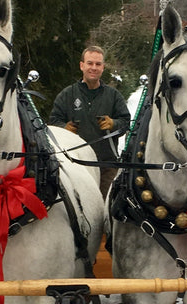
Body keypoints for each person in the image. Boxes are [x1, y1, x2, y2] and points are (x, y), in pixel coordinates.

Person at [49, 46, 130, 196]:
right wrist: (63, 128)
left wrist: (114, 124)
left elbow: (126, 122)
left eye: (98, 64)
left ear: (103, 67)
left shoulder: (113, 96)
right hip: (75, 165)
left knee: (105, 209)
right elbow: (53, 122)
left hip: (106, 165)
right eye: (90, 63)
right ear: (82, 65)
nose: (94, 67)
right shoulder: (67, 94)